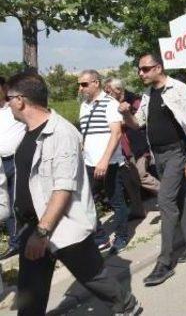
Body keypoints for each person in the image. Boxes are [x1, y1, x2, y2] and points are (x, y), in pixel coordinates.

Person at [6, 72, 141, 315]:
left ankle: (127, 304)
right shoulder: (26, 132)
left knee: (93, 277)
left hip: (58, 225)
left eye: (9, 98)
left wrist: (42, 231)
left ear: (20, 100)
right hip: (33, 225)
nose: (7, 103)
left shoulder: (61, 134)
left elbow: (63, 187)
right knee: (30, 294)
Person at [119, 53, 186, 287]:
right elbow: (137, 124)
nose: (141, 73)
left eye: (145, 69)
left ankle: (165, 262)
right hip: (159, 155)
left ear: (158, 67)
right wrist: (125, 112)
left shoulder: (178, 89)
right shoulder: (148, 94)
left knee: (165, 203)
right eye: (139, 69)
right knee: (178, 198)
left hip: (178, 152)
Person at [77, 70, 131, 254]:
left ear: (96, 83)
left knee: (116, 201)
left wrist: (104, 161)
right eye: (80, 84)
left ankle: (122, 236)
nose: (81, 88)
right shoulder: (84, 105)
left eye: (84, 84)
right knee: (86, 201)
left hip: (109, 163)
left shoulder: (110, 103)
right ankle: (100, 237)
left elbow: (116, 133)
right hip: (89, 162)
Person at [104, 77, 161, 198]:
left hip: (138, 145)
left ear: (118, 90)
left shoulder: (134, 101)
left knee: (141, 176)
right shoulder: (110, 105)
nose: (107, 94)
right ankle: (138, 210)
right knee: (131, 180)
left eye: (109, 91)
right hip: (123, 148)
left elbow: (141, 120)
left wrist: (121, 120)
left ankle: (166, 193)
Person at [0, 76, 25, 259]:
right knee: (6, 204)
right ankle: (15, 242)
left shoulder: (15, 107)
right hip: (1, 163)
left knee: (18, 202)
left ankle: (24, 239)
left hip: (17, 160)